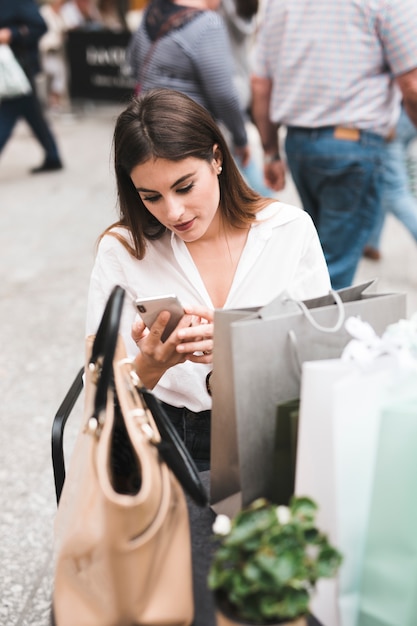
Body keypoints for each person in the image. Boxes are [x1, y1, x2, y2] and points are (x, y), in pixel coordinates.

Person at [85, 88, 331, 473]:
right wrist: (150, 365)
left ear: (217, 158)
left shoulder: (288, 230)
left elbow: (324, 353)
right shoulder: (123, 250)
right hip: (170, 435)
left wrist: (243, 346)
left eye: (184, 187)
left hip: (276, 423)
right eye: (151, 196)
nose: (173, 211)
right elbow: (99, 393)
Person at [251, 0, 417, 290]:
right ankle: (305, 330)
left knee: (319, 256)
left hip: (299, 143)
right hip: (353, 145)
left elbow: (260, 84)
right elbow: (412, 84)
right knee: (331, 268)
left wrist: (270, 152)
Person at [126, 0, 250, 173]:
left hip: (148, 127)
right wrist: (241, 138)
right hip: (189, 134)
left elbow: (132, 62)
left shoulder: (152, 11)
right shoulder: (208, 24)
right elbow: (223, 94)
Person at [0, 0, 64, 173]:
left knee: (8, 112)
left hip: (18, 71)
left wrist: (11, 34)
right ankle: (53, 156)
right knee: (32, 113)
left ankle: (53, 156)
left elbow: (40, 26)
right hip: (7, 71)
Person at [364, 105, 417, 260]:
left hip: (399, 115)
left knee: (395, 191)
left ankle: (371, 243)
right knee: (384, 182)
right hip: (404, 114)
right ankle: (371, 243)